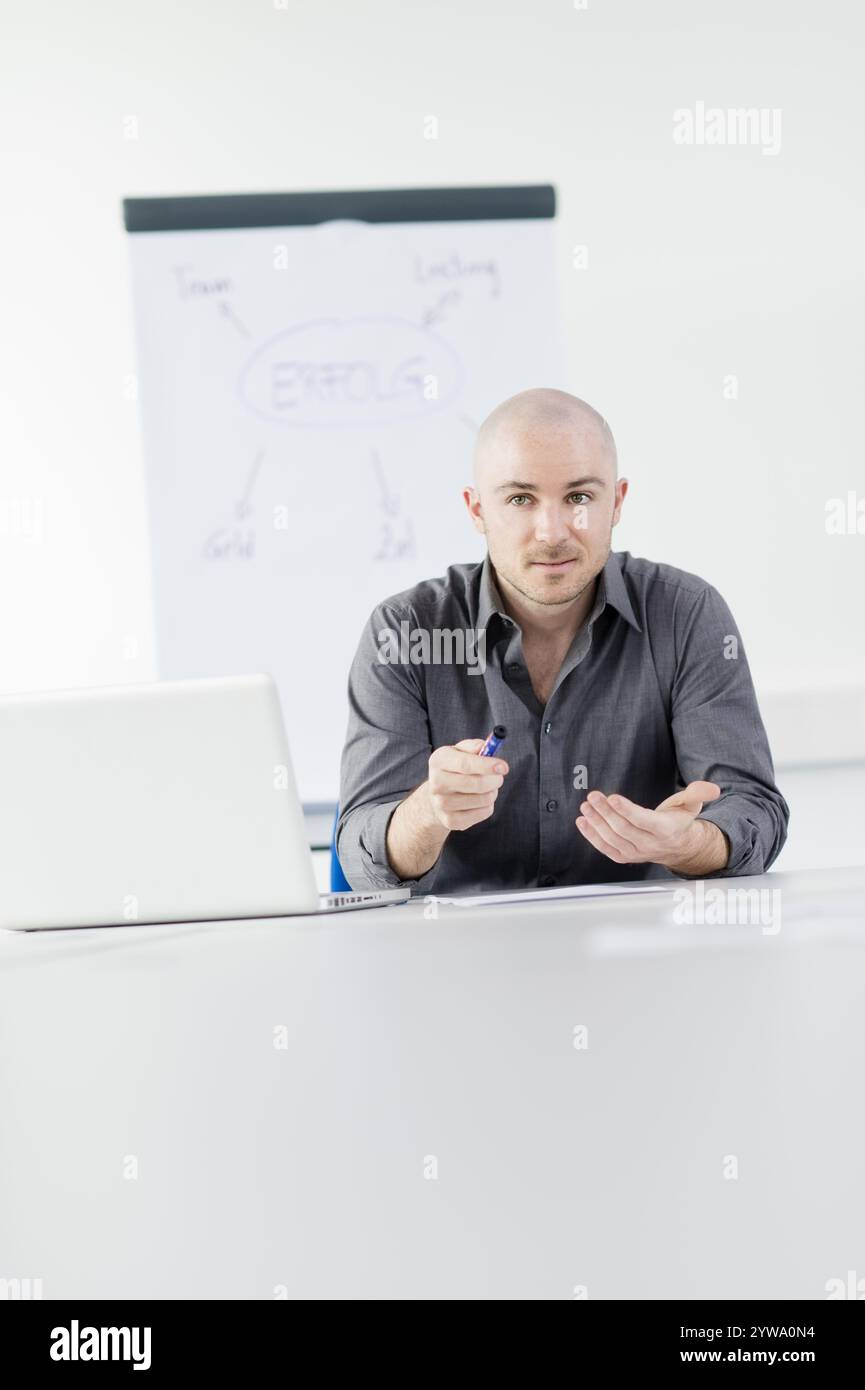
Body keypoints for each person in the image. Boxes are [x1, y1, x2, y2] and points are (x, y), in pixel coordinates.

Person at [337, 388, 789, 895]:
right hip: (459, 961)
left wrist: (687, 844)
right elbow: (361, 854)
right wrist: (428, 812)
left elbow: (753, 811)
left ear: (615, 502)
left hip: (643, 954)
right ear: (476, 509)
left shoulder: (686, 614)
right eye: (520, 499)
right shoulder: (404, 631)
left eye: (578, 497)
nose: (552, 532)